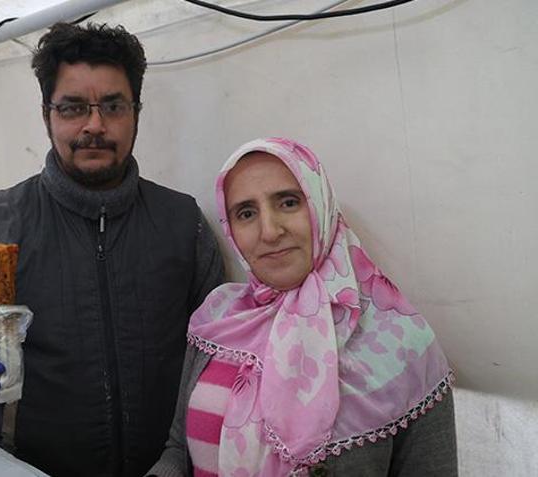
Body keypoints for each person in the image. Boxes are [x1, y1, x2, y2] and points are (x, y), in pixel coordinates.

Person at [0, 23, 224, 477]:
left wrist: (179, 458)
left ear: (136, 112)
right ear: (47, 114)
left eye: (113, 106)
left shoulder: (183, 224)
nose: (94, 125)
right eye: (73, 108)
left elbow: (221, 352)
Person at [147, 138, 456, 477]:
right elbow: (178, 449)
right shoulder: (217, 318)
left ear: (320, 206)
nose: (269, 231)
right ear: (230, 228)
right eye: (246, 213)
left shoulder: (401, 343)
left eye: (289, 202)